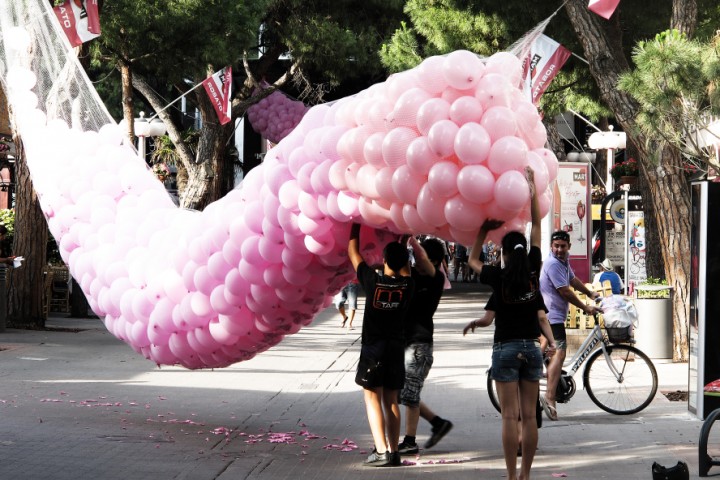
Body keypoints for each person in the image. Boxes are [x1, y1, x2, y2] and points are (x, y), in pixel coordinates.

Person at [466, 167, 556, 480]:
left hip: (504, 349)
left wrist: (481, 230)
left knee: (509, 417)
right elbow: (537, 224)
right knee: (529, 416)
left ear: (503, 254)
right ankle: (526, 475)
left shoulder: (498, 276)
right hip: (532, 349)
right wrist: (531, 187)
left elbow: (473, 262)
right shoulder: (534, 268)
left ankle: (510, 476)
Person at [348, 224, 415, 467]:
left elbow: (353, 253)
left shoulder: (373, 281)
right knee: (391, 400)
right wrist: (405, 240)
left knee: (372, 398)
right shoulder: (408, 286)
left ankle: (381, 450)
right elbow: (404, 268)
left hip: (374, 349)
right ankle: (395, 451)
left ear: (383, 260)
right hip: (396, 348)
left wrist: (355, 224)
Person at [397, 237, 453, 456]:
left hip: (420, 345)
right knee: (401, 393)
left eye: (421, 258)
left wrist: (411, 238)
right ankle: (438, 423)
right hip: (405, 342)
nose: (416, 261)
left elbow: (424, 261)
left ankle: (410, 441)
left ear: (435, 260)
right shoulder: (411, 274)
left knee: (409, 394)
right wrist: (402, 240)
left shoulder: (436, 278)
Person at [540, 230, 602, 421]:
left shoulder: (563, 262)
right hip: (552, 316)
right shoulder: (552, 264)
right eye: (556, 246)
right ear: (551, 246)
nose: (559, 249)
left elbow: (573, 280)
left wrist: (590, 294)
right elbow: (565, 291)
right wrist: (585, 307)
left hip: (552, 315)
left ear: (569, 247)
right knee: (560, 353)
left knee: (549, 355)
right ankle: (550, 399)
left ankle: (551, 387)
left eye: (563, 246)